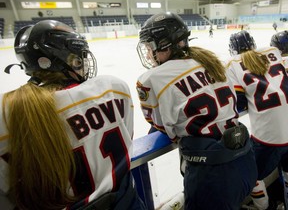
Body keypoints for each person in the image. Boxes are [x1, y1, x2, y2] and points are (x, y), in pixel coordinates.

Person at [0, 20, 146, 210]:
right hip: (127, 203)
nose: (83, 63)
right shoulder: (113, 88)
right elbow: (128, 136)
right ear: (66, 59)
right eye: (78, 58)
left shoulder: (7, 114)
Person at [135, 12, 257, 210]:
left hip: (212, 176)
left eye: (150, 47)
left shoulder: (151, 79)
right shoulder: (212, 61)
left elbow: (162, 127)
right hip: (245, 160)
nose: (149, 54)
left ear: (165, 44)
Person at [226, 30, 288, 209]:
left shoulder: (232, 64)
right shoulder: (273, 51)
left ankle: (263, 207)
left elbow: (239, 103)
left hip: (269, 137)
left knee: (251, 176)